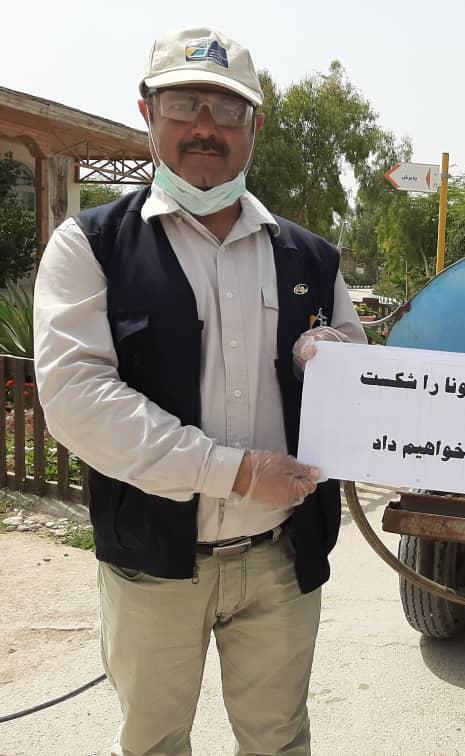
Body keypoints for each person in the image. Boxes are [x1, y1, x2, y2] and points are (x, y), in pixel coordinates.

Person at [33, 27, 365, 756]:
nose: (206, 127)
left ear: (255, 126)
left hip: (279, 557)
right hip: (152, 565)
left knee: (278, 742)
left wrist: (336, 359)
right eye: (185, 104)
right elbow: (78, 399)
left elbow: (356, 375)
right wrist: (237, 471)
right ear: (148, 112)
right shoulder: (92, 246)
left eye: (228, 110)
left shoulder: (311, 257)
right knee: (154, 744)